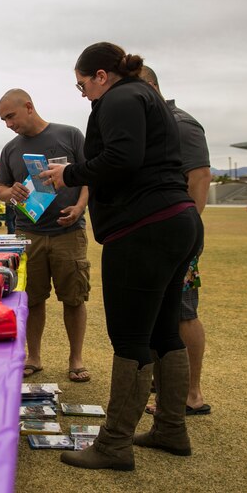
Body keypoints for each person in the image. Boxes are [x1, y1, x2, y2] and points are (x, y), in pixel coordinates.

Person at [43, 42, 202, 471]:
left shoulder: (120, 97)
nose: (83, 96)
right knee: (164, 330)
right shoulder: (146, 96)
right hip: (175, 219)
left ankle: (115, 444)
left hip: (143, 229)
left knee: (130, 338)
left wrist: (69, 174)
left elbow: (122, 157)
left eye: (82, 85)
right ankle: (171, 427)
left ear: (100, 75)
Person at [0, 88, 91, 384]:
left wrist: (79, 206)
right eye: (3, 120)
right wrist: (10, 193)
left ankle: (76, 359)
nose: (8, 124)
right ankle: (33, 357)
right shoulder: (10, 149)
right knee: (32, 299)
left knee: (73, 298)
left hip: (68, 232)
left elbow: (90, 175)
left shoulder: (70, 134)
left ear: (29, 106)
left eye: (10, 116)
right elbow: (1, 188)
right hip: (28, 233)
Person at [140, 65, 213, 416]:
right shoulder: (152, 125)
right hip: (153, 237)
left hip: (176, 238)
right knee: (158, 313)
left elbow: (199, 177)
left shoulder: (180, 124)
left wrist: (182, 230)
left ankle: (191, 394)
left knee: (183, 312)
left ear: (150, 87)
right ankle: (167, 383)